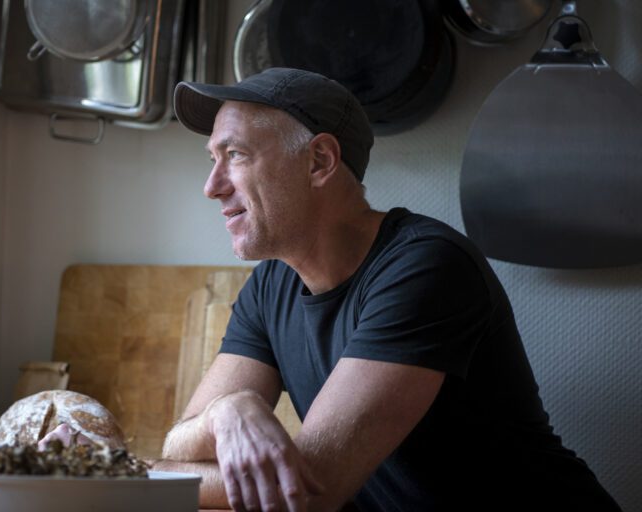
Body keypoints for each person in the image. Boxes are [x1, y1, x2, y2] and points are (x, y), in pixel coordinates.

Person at [162, 67, 622, 512]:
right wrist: (225, 413)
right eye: (213, 159)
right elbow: (178, 449)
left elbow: (307, 491)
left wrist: (141, 474)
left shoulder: (425, 268)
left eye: (235, 154)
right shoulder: (271, 286)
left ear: (319, 161)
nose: (211, 187)